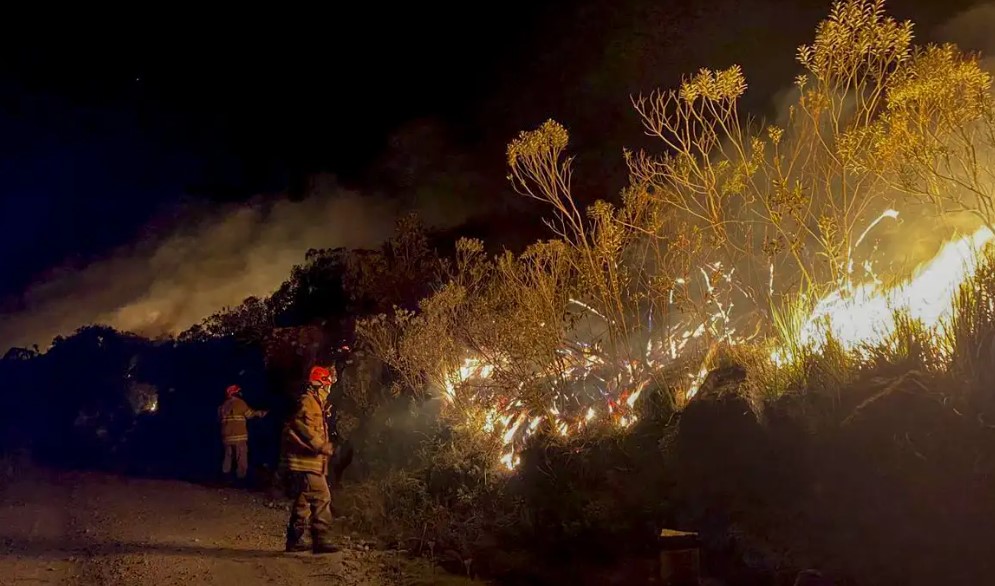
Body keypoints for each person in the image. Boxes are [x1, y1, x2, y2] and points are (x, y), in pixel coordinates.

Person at [282, 365, 338, 554]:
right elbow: (298, 425)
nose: (329, 389)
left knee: (303, 501)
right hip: (306, 462)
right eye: (327, 385)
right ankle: (321, 540)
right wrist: (318, 444)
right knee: (322, 497)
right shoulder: (307, 401)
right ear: (320, 385)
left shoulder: (316, 403)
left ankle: (294, 541)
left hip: (310, 462)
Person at [218, 384, 268, 482]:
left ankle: (225, 476)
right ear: (235, 393)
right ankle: (241, 478)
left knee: (227, 457)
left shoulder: (222, 406)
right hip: (239, 436)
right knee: (241, 457)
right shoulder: (240, 403)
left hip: (226, 438)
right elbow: (250, 414)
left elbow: (218, 420)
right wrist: (262, 413)